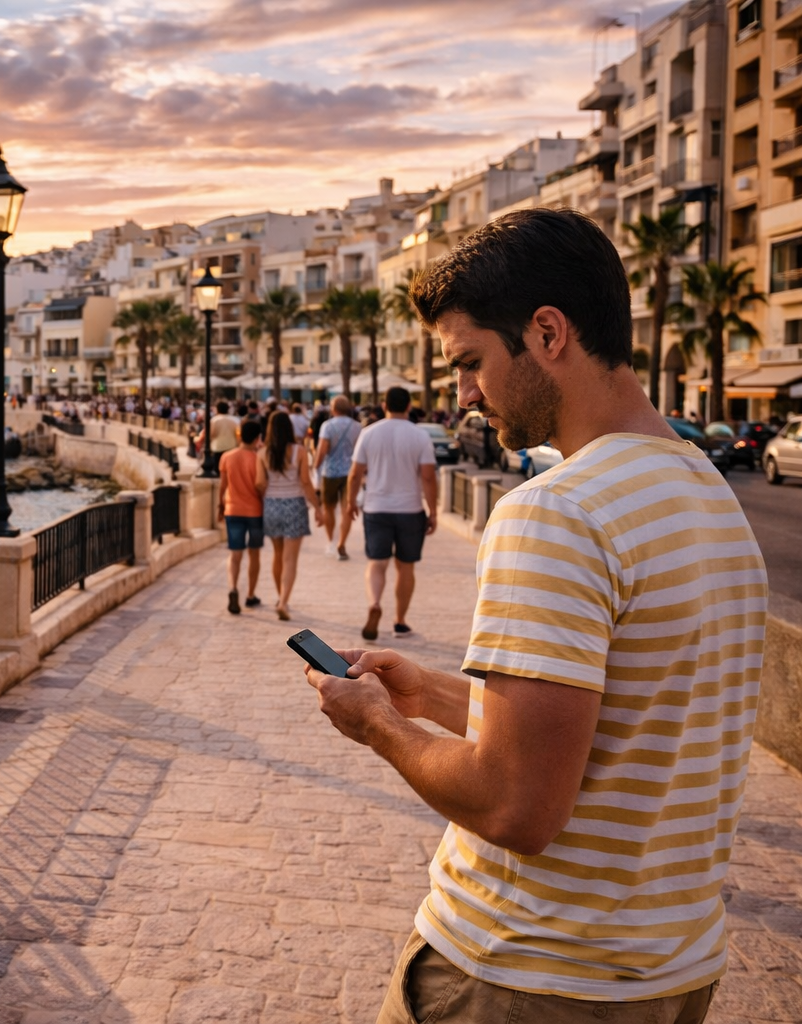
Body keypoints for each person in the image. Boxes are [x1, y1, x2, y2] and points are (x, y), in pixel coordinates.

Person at [302, 208, 768, 1024]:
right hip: (667, 970)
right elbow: (624, 715)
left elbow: (517, 806)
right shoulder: (706, 496)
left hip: (522, 972)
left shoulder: (557, 513)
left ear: (548, 332)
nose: (464, 395)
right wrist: (434, 695)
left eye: (471, 362)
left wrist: (379, 726)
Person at [346, 386, 437, 640]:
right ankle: (399, 621)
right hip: (410, 509)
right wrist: (433, 512)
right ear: (409, 406)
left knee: (377, 563)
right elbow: (428, 478)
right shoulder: (419, 436)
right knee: (405, 567)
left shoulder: (369, 433)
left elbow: (355, 474)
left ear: (384, 405)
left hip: (376, 508)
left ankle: (374, 602)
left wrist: (350, 502)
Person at [256, 410, 321, 621]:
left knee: (277, 555)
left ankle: (280, 597)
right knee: (290, 559)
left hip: (272, 505)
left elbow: (259, 483)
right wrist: (318, 507)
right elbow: (305, 481)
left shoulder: (263, 453)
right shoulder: (299, 451)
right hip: (294, 505)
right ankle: (284, 601)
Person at [216, 417, 265, 614]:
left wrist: (220, 505)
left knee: (234, 554)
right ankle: (250, 595)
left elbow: (222, 486)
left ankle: (233, 588)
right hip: (255, 512)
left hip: (233, 510)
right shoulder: (258, 459)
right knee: (254, 554)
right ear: (257, 438)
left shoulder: (227, 457)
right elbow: (261, 486)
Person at [313, 395, 360, 559]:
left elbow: (323, 449)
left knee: (329, 508)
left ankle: (331, 541)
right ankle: (342, 542)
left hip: (330, 472)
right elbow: (358, 452)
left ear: (333, 409)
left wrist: (315, 466)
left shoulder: (327, 426)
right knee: (347, 510)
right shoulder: (357, 427)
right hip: (350, 472)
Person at [208, 399, 240, 471]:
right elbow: (238, 434)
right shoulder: (235, 420)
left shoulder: (214, 420)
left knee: (218, 469)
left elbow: (211, 434)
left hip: (217, 447)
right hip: (232, 447)